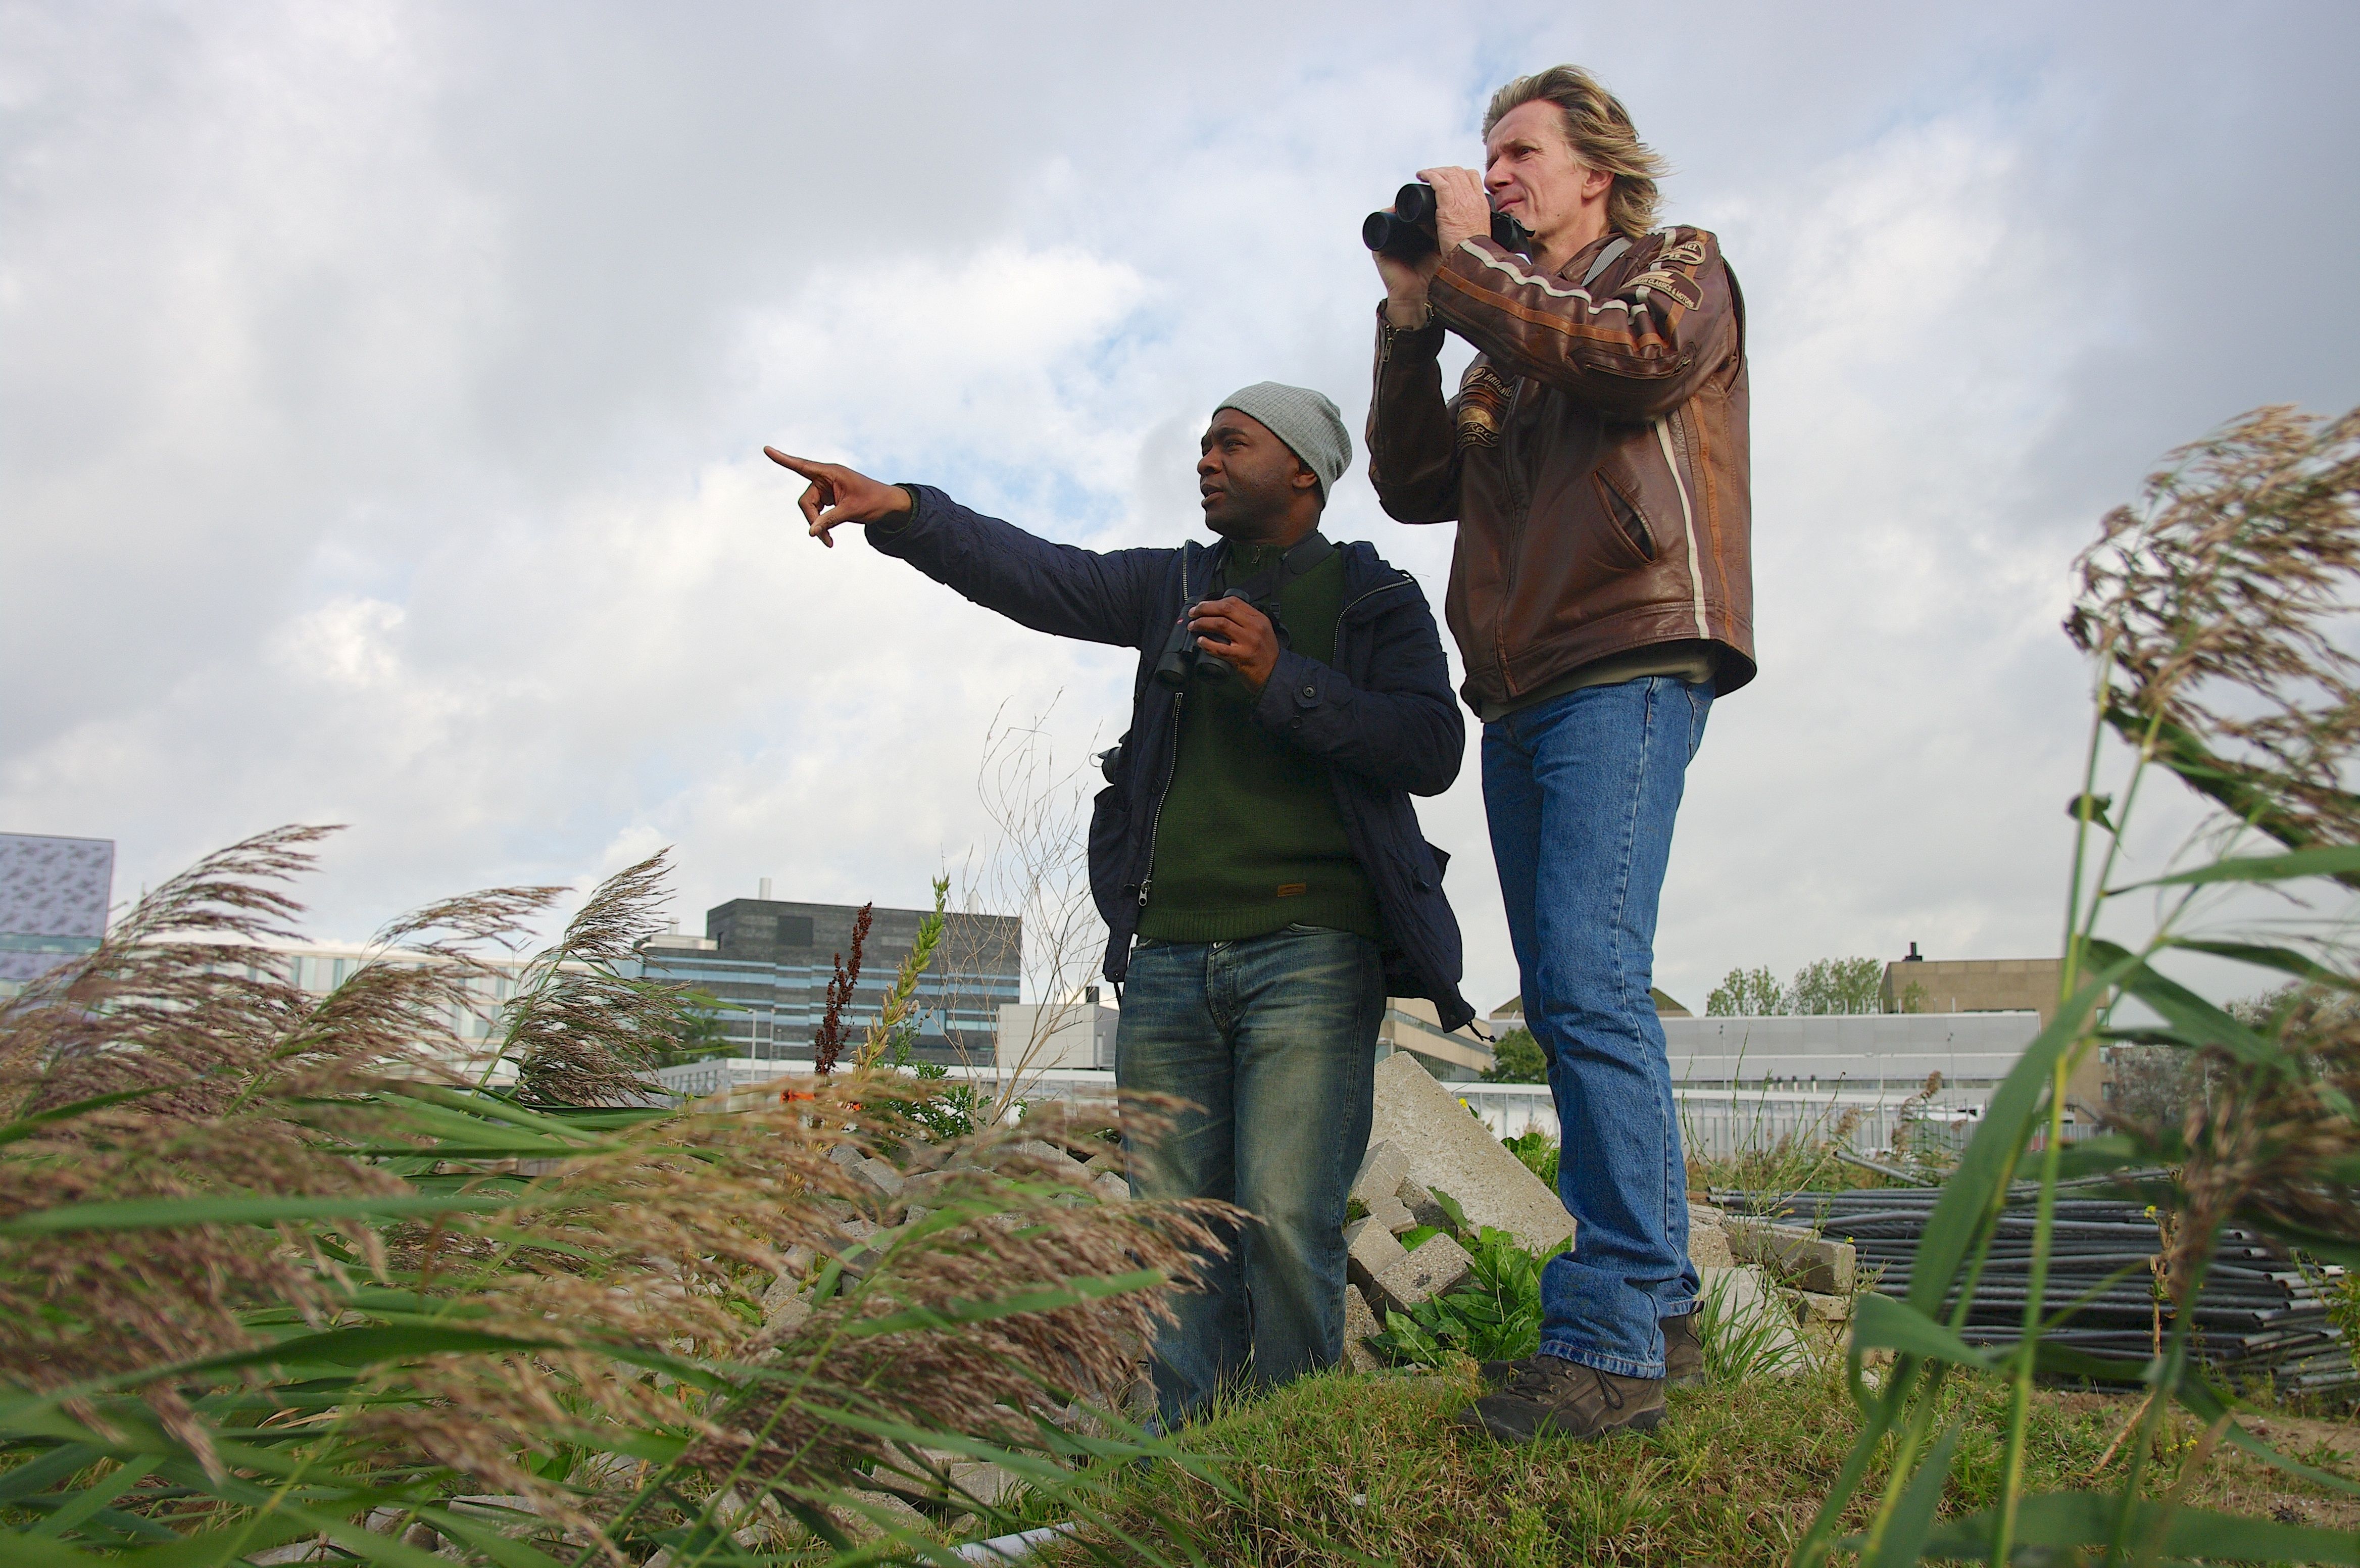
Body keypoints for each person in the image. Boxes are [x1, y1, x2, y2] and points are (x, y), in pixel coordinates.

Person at [766, 382, 1471, 1424]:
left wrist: (1285, 676)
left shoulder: (1374, 598)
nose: (1205, 460)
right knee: (1174, 1231)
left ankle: (1288, 1462)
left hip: (1312, 955)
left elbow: (1430, 749)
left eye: (1230, 443)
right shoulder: (1171, 586)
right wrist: (906, 513)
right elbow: (1042, 576)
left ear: (1304, 471)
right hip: (1170, 961)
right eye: (1201, 445)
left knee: (1283, 1216)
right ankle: (1190, 1468)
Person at [1366, 64, 1754, 1443]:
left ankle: (1615, 1339)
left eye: (1519, 150)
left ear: (1599, 170)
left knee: (1590, 983)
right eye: (1488, 155)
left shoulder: (1675, 267)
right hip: (1521, 690)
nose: (1498, 171)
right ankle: (1655, 1324)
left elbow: (1635, 358)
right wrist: (1415, 321)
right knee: (1570, 989)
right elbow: (1415, 485)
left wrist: (1467, 261)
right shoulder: (1499, 346)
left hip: (1630, 652)